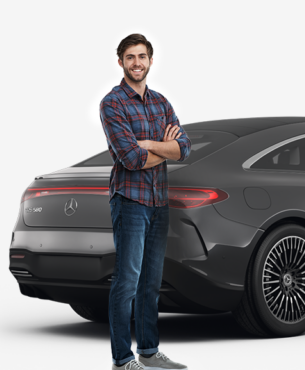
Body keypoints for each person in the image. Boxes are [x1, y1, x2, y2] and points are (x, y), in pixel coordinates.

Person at [100, 33, 191, 370]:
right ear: (121, 61)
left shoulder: (161, 103)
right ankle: (122, 359)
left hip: (158, 201)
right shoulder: (112, 104)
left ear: (151, 60)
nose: (136, 63)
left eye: (142, 56)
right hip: (130, 201)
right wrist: (159, 150)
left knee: (151, 282)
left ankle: (149, 353)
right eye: (130, 57)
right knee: (127, 281)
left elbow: (184, 148)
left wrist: (148, 144)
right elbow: (129, 158)